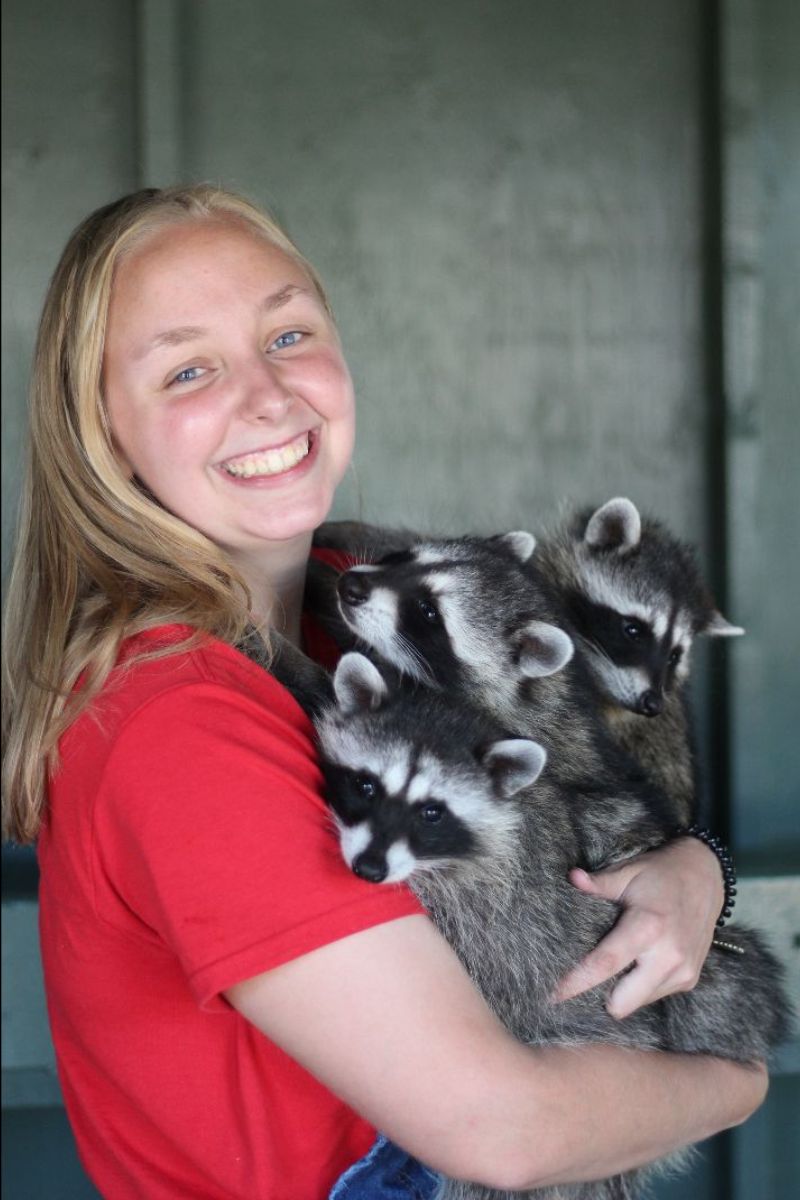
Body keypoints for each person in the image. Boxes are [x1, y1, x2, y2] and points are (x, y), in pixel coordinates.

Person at [1, 185, 766, 1200]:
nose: (268, 397)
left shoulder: (352, 613)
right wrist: (734, 1077)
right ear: (100, 433)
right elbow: (499, 1129)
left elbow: (586, 826)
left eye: (288, 332)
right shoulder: (172, 719)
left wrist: (689, 871)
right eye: (189, 369)